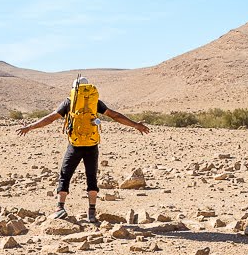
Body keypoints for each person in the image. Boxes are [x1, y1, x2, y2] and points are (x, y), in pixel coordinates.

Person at [16, 76, 149, 222]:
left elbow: (51, 118)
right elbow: (115, 115)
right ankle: (91, 212)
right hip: (91, 145)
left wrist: (30, 127)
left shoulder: (69, 102)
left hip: (75, 145)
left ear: (74, 89)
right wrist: (135, 125)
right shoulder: (94, 101)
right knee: (91, 177)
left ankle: (60, 207)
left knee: (65, 175)